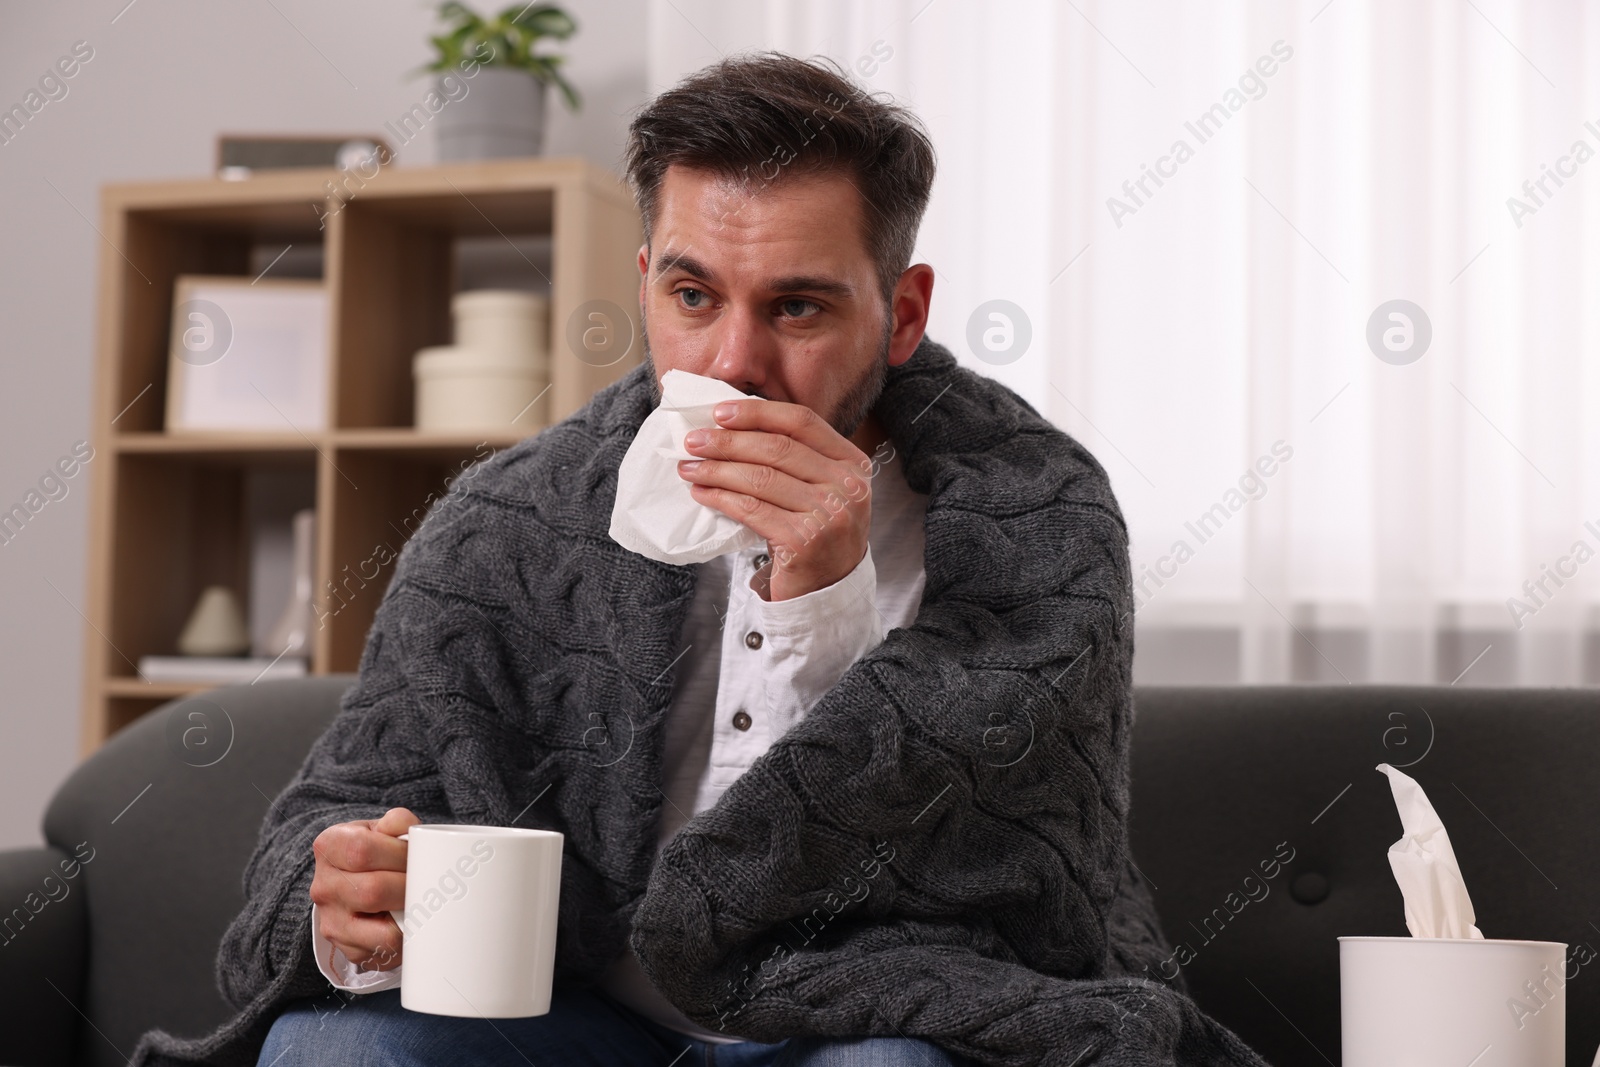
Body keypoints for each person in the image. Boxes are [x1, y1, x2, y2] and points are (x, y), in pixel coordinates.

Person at [130, 52, 1269, 1067]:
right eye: (691, 296)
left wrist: (816, 600)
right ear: (644, 285)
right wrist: (349, 905)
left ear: (902, 312)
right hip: (585, 1019)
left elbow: (1016, 892)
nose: (733, 362)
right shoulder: (508, 520)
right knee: (337, 1044)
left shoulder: (1042, 522)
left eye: (799, 308)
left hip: (879, 1016)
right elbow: (334, 812)